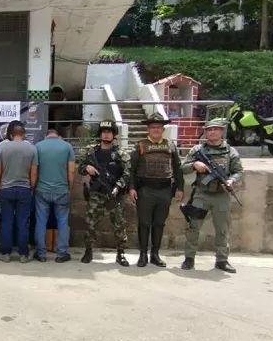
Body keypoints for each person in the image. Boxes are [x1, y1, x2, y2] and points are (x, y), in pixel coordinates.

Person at [181, 119, 243, 273]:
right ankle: (189, 258)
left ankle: (222, 260)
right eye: (209, 130)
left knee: (222, 229)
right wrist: (194, 165)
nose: (212, 132)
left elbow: (238, 171)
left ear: (222, 131)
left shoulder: (230, 151)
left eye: (216, 129)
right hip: (201, 194)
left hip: (221, 195)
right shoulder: (197, 150)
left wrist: (231, 180)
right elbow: (183, 167)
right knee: (194, 227)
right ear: (205, 132)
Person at [129, 112, 184, 268]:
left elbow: (177, 168)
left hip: (165, 191)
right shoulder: (140, 145)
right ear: (148, 129)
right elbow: (131, 169)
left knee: (159, 223)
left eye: (158, 127)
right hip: (145, 191)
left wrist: (180, 187)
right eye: (153, 127)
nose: (155, 130)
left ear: (163, 129)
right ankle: (142, 255)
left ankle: (155, 254)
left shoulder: (170, 146)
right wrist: (132, 187)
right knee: (144, 223)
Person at [77, 120, 130, 266]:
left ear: (114, 135)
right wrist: (86, 168)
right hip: (96, 193)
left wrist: (118, 187)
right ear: (100, 134)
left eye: (109, 132)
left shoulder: (120, 154)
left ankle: (121, 253)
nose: (106, 135)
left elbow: (127, 174)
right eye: (104, 132)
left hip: (114, 194)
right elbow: (80, 167)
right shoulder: (91, 152)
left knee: (119, 224)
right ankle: (88, 251)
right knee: (90, 223)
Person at [0, 125, 38, 263]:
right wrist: (32, 187)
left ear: (11, 135)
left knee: (6, 221)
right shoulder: (32, 149)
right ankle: (23, 254)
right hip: (24, 189)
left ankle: (5, 253)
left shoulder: (2, 148)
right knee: (23, 222)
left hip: (6, 189)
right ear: (24, 134)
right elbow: (34, 172)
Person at [33, 128, 75, 263]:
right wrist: (70, 188)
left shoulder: (38, 146)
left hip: (42, 190)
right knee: (63, 221)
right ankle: (62, 253)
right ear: (59, 136)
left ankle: (41, 253)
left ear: (46, 136)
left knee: (41, 221)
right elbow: (71, 171)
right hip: (62, 190)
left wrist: (34, 186)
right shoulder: (67, 147)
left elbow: (35, 170)